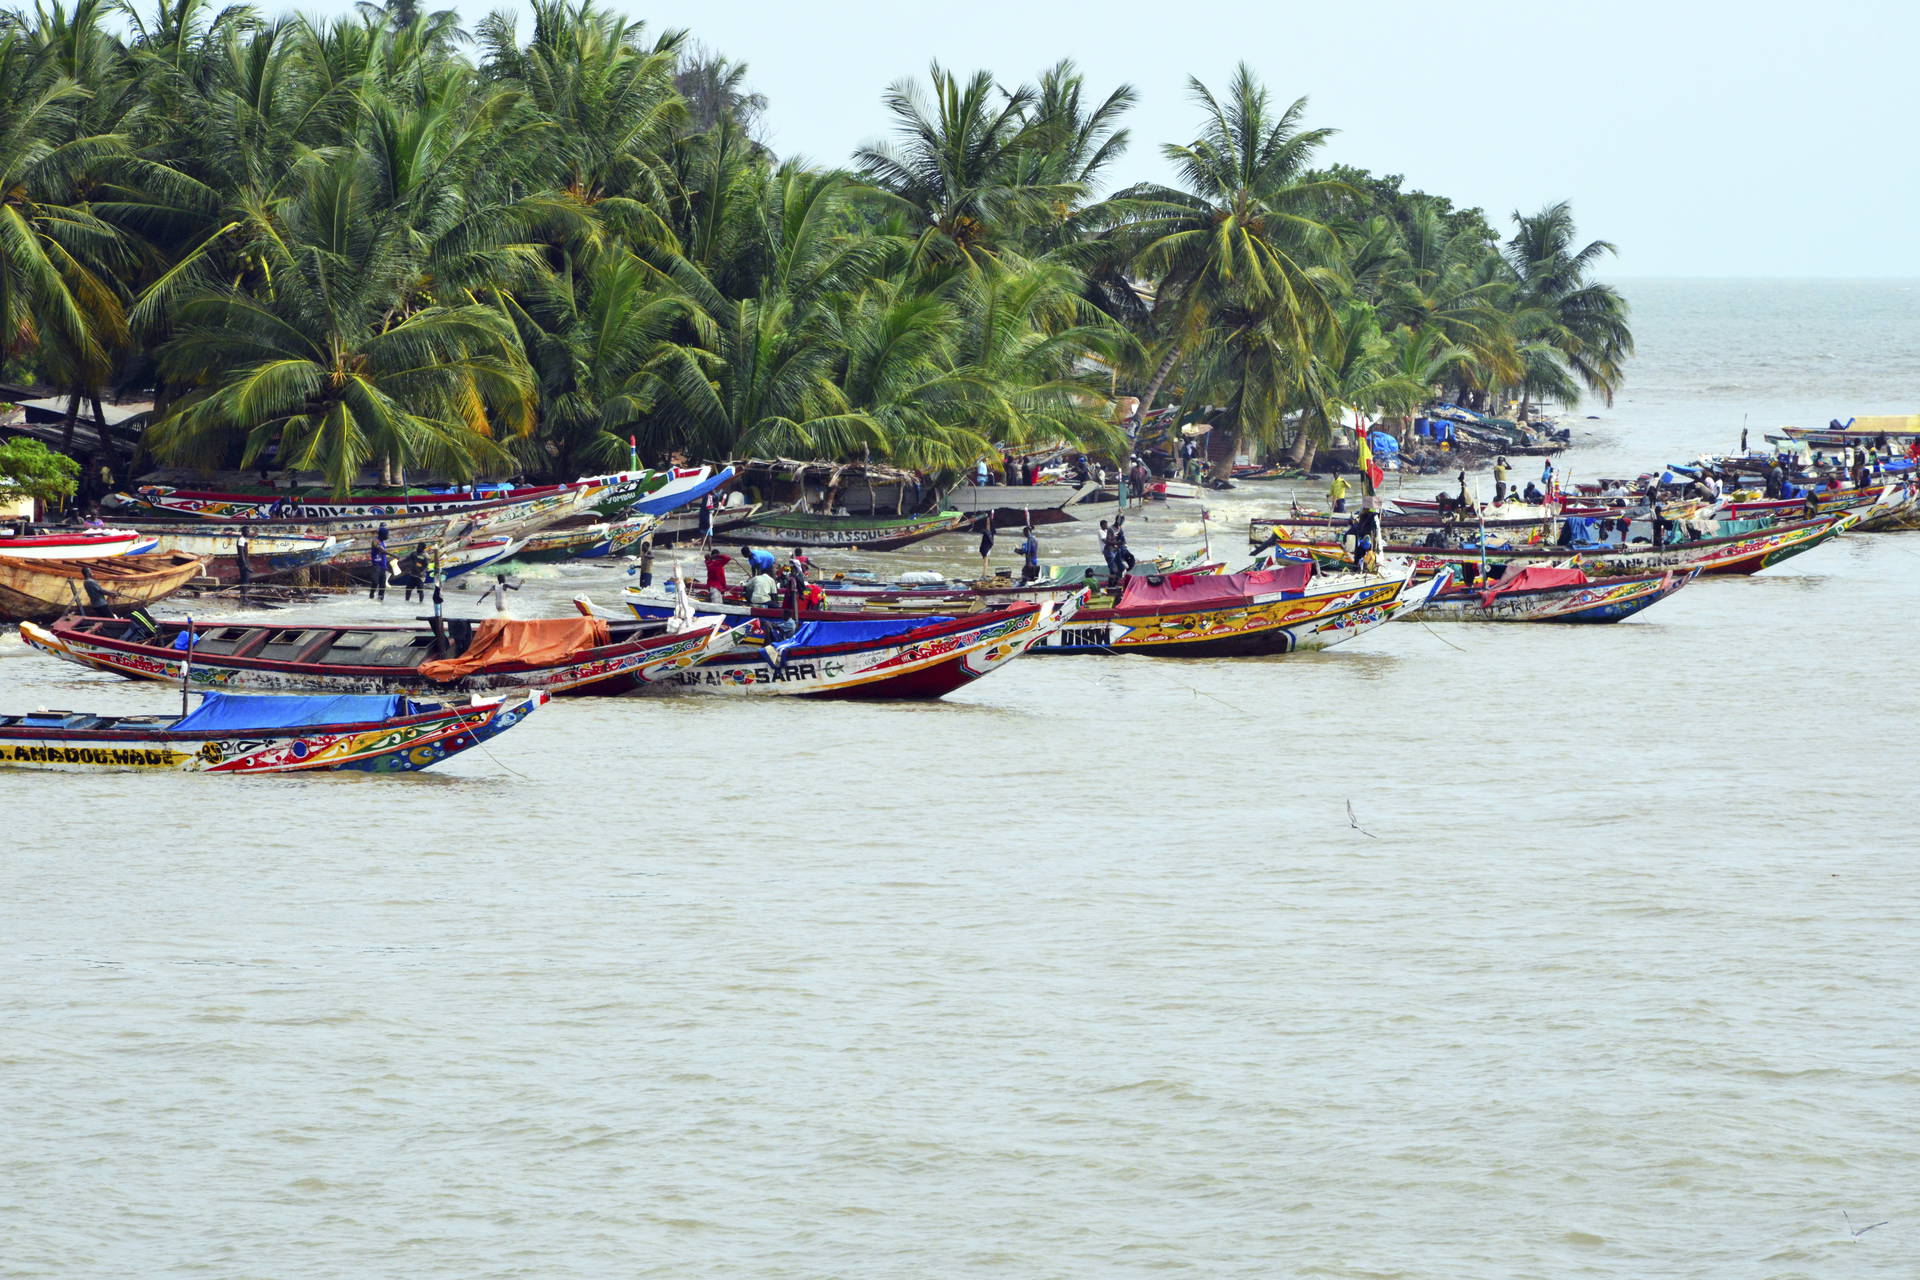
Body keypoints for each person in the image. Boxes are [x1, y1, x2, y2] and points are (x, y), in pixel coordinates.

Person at [1346, 506, 1380, 572]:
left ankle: (1359, 567)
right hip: (1364, 538)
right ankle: (1361, 567)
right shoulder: (1366, 517)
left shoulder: (1364, 517)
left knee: (1360, 555)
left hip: (1363, 538)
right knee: (1362, 554)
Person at [367, 529, 390, 601]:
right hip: (376, 565)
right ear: (382, 534)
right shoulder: (375, 541)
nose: (388, 536)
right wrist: (383, 550)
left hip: (383, 566)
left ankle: (380, 600)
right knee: (375, 582)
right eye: (387, 534)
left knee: (382, 586)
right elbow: (379, 547)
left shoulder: (383, 542)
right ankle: (371, 596)